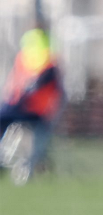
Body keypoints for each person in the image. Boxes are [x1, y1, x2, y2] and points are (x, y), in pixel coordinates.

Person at [1, 26, 65, 166]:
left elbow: (38, 88)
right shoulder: (24, 61)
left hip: (35, 112)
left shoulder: (49, 67)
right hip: (18, 107)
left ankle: (28, 164)